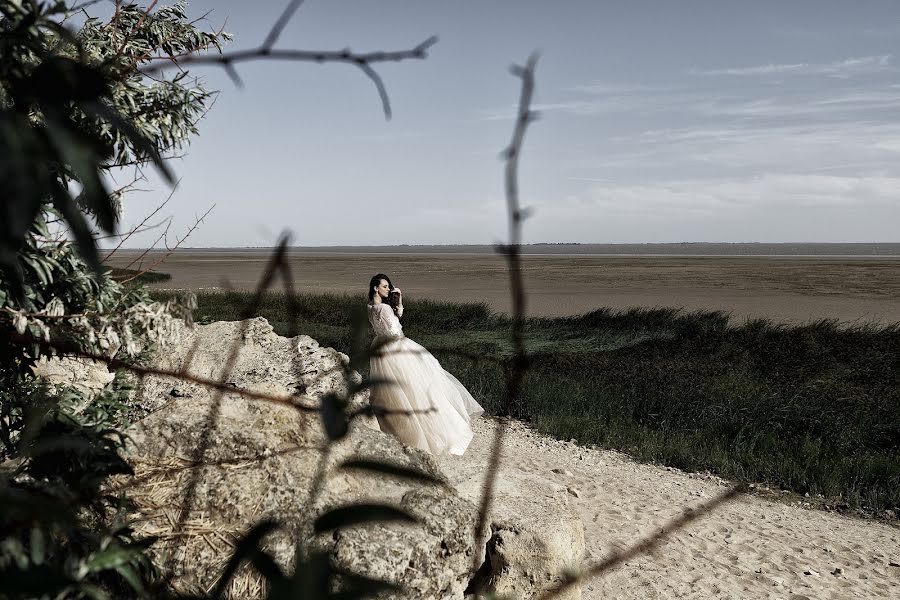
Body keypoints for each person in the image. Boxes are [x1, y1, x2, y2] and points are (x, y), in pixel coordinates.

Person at [366, 273, 484, 455]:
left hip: (381, 349)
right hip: (397, 348)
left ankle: (396, 428)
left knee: (394, 392)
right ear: (376, 288)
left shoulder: (370, 307)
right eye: (385, 286)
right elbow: (395, 331)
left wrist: (398, 304)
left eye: (388, 286)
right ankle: (435, 430)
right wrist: (396, 310)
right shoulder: (384, 309)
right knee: (419, 386)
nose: (388, 289)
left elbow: (384, 327)